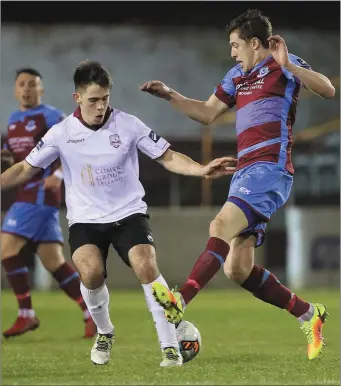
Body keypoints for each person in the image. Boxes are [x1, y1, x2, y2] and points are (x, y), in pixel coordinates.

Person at [1, 60, 236, 366]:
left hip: (128, 213)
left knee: (145, 263)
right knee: (90, 271)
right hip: (86, 218)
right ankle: (104, 331)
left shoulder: (128, 124)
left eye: (105, 99)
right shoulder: (61, 133)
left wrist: (201, 169)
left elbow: (168, 157)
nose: (100, 107)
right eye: (93, 100)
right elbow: (24, 168)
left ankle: (169, 347)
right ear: (78, 99)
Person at [140, 8, 335, 361]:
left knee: (219, 225)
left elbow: (328, 90)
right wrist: (169, 94)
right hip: (245, 172)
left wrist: (290, 64)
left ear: (255, 43)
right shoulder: (237, 76)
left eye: (235, 45)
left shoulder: (283, 65)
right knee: (237, 269)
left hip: (271, 170)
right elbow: (207, 113)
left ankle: (180, 299)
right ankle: (310, 314)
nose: (232, 53)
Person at [1, 68, 97, 339]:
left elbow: (73, 149)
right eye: (22, 84)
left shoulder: (52, 116)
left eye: (33, 84)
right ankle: (91, 312)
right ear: (15, 89)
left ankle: (26, 314)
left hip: (41, 192)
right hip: (27, 192)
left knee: (6, 249)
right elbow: (26, 156)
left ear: (41, 90)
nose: (27, 89)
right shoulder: (14, 119)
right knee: (53, 261)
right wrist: (9, 158)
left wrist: (56, 175)